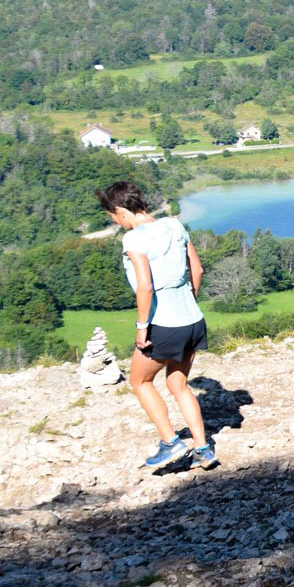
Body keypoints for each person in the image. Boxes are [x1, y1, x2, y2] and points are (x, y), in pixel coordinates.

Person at [95, 181, 217, 472]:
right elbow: (197, 269)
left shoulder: (134, 239)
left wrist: (142, 327)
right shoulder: (175, 225)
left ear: (121, 210)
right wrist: (188, 302)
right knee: (178, 384)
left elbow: (145, 286)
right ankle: (203, 449)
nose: (116, 223)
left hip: (163, 325)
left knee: (140, 382)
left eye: (114, 217)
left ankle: (170, 442)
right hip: (193, 320)